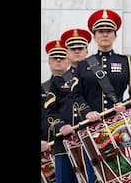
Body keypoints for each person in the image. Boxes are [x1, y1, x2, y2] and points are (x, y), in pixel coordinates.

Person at [72, 9, 131, 122]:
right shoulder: (83, 64)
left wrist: (126, 106)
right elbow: (75, 94)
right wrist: (87, 112)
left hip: (118, 124)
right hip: (90, 125)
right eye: (100, 31)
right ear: (94, 37)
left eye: (109, 31)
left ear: (115, 36)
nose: (105, 34)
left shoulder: (127, 62)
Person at [44, 28, 93, 183]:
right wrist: (60, 126)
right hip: (64, 144)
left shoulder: (96, 77)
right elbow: (49, 112)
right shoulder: (58, 81)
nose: (77, 52)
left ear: (87, 51)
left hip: (92, 140)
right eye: (73, 49)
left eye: (80, 49)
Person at [41, 40, 70, 183]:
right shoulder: (42, 87)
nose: (58, 60)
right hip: (44, 150)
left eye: (62, 57)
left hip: (70, 144)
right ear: (49, 61)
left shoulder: (78, 85)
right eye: (54, 57)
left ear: (69, 60)